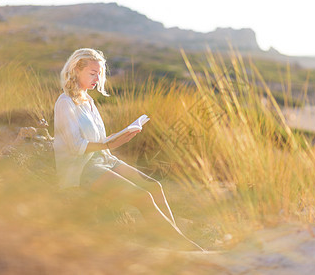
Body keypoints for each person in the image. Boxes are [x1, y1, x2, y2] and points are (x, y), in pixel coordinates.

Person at [53, 48, 204, 251]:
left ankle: (172, 240)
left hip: (103, 159)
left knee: (154, 187)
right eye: (92, 73)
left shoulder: (89, 101)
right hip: (82, 168)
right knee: (144, 197)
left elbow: (98, 139)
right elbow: (76, 146)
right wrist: (110, 144)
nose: (97, 78)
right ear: (76, 70)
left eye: (99, 73)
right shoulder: (65, 103)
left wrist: (121, 136)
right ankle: (186, 248)